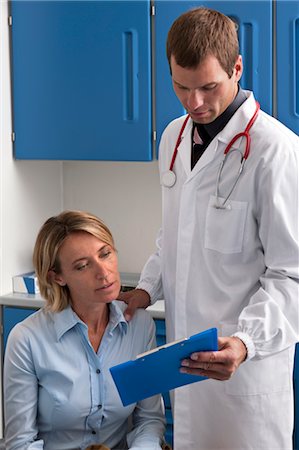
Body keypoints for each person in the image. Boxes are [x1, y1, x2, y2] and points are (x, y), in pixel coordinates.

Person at [118, 6, 299, 450]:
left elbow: (291, 274)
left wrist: (244, 342)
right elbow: (175, 236)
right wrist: (145, 289)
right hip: (185, 375)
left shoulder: (276, 151)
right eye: (181, 87)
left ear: (237, 68)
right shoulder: (173, 138)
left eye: (208, 87)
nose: (194, 103)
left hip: (246, 385)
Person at [4, 210, 166, 450]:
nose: (103, 272)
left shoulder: (139, 326)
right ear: (57, 277)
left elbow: (149, 420)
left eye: (106, 254)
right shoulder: (26, 339)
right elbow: (21, 443)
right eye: (82, 266)